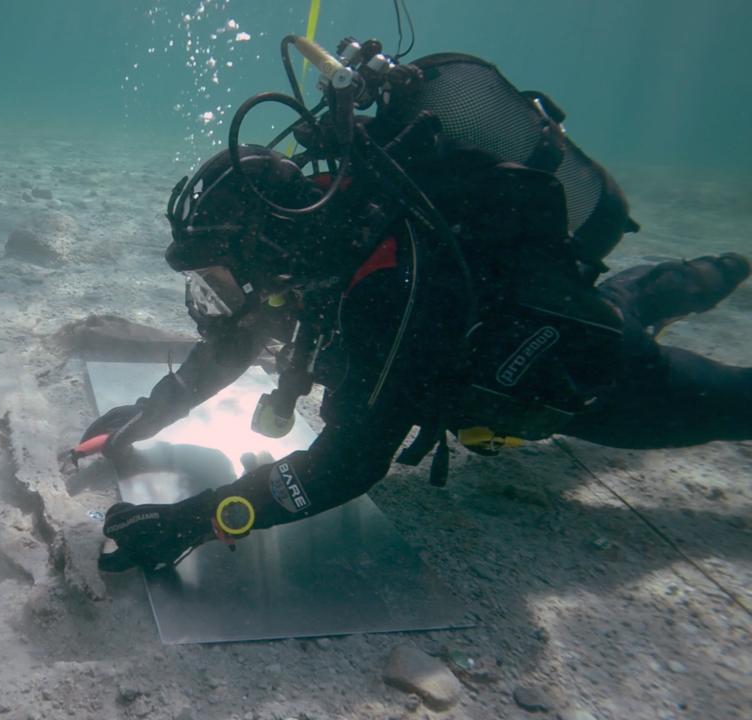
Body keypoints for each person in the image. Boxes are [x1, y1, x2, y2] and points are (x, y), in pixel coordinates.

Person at [82, 39, 751, 572]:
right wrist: (151, 413)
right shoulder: (321, 227)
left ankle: (704, 279)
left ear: (266, 247)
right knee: (623, 300)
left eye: (220, 279)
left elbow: (347, 467)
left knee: (719, 399)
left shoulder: (382, 288)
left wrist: (194, 521)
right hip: (548, 296)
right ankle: (711, 272)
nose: (217, 303)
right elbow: (238, 339)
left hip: (582, 364)